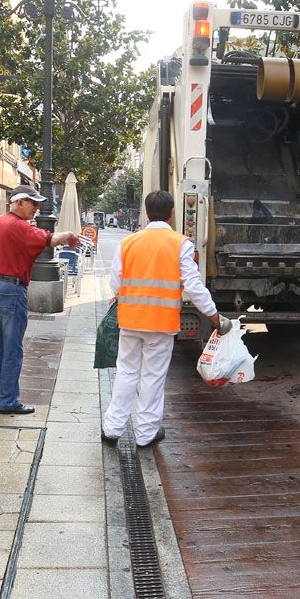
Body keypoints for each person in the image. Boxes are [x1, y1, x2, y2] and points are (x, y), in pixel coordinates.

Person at [102, 190, 226, 448]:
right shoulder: (180, 243)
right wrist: (213, 315)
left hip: (130, 320)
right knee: (152, 377)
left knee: (126, 372)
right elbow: (193, 285)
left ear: (147, 213)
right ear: (171, 214)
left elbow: (116, 281)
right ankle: (145, 433)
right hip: (161, 324)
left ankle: (112, 428)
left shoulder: (128, 243)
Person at [0, 184, 80, 415]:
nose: (37, 209)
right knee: (13, 349)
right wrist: (69, 234)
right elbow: (50, 240)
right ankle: (8, 401)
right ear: (19, 202)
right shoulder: (21, 227)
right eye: (33, 203)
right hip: (12, 289)